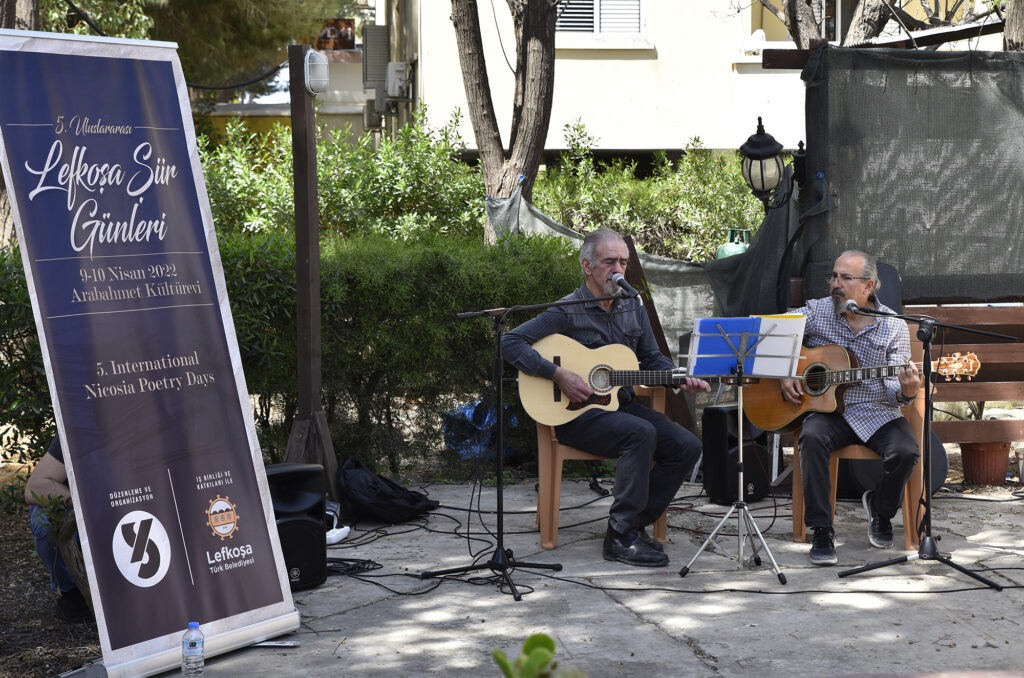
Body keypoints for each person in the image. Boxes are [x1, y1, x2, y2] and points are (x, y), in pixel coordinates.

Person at [502, 227, 710, 567]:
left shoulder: (632, 306)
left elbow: (651, 357)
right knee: (640, 433)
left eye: (623, 262)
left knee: (686, 445)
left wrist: (677, 377)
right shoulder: (567, 310)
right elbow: (509, 342)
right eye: (610, 261)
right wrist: (558, 375)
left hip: (619, 407)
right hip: (575, 414)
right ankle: (620, 538)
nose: (618, 269)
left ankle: (634, 524)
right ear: (587, 266)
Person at [781, 251, 922, 566]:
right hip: (830, 411)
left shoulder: (893, 325)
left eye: (845, 278)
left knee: (905, 451)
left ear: (868, 286)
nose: (836, 284)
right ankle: (821, 530)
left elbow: (894, 391)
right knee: (811, 437)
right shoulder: (818, 311)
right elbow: (777, 331)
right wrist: (785, 372)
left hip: (877, 410)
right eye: (834, 276)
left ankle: (881, 511)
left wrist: (907, 392)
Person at [24, 437, 92, 622]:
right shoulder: (78, 429)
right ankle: (71, 591)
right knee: (46, 522)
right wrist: (82, 504)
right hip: (81, 505)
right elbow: (35, 488)